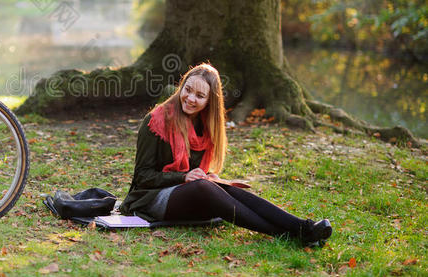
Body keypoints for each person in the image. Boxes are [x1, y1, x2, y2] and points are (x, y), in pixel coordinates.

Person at [120, 63, 332, 245]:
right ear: (181, 87)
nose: (191, 98)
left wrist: (210, 176)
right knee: (204, 187)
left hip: (185, 193)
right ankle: (288, 234)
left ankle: (302, 227)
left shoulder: (205, 126)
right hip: (148, 200)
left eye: (200, 96)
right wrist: (184, 177)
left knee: (225, 188)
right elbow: (142, 177)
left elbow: (196, 171)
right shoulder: (156, 120)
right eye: (188, 89)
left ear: (209, 102)